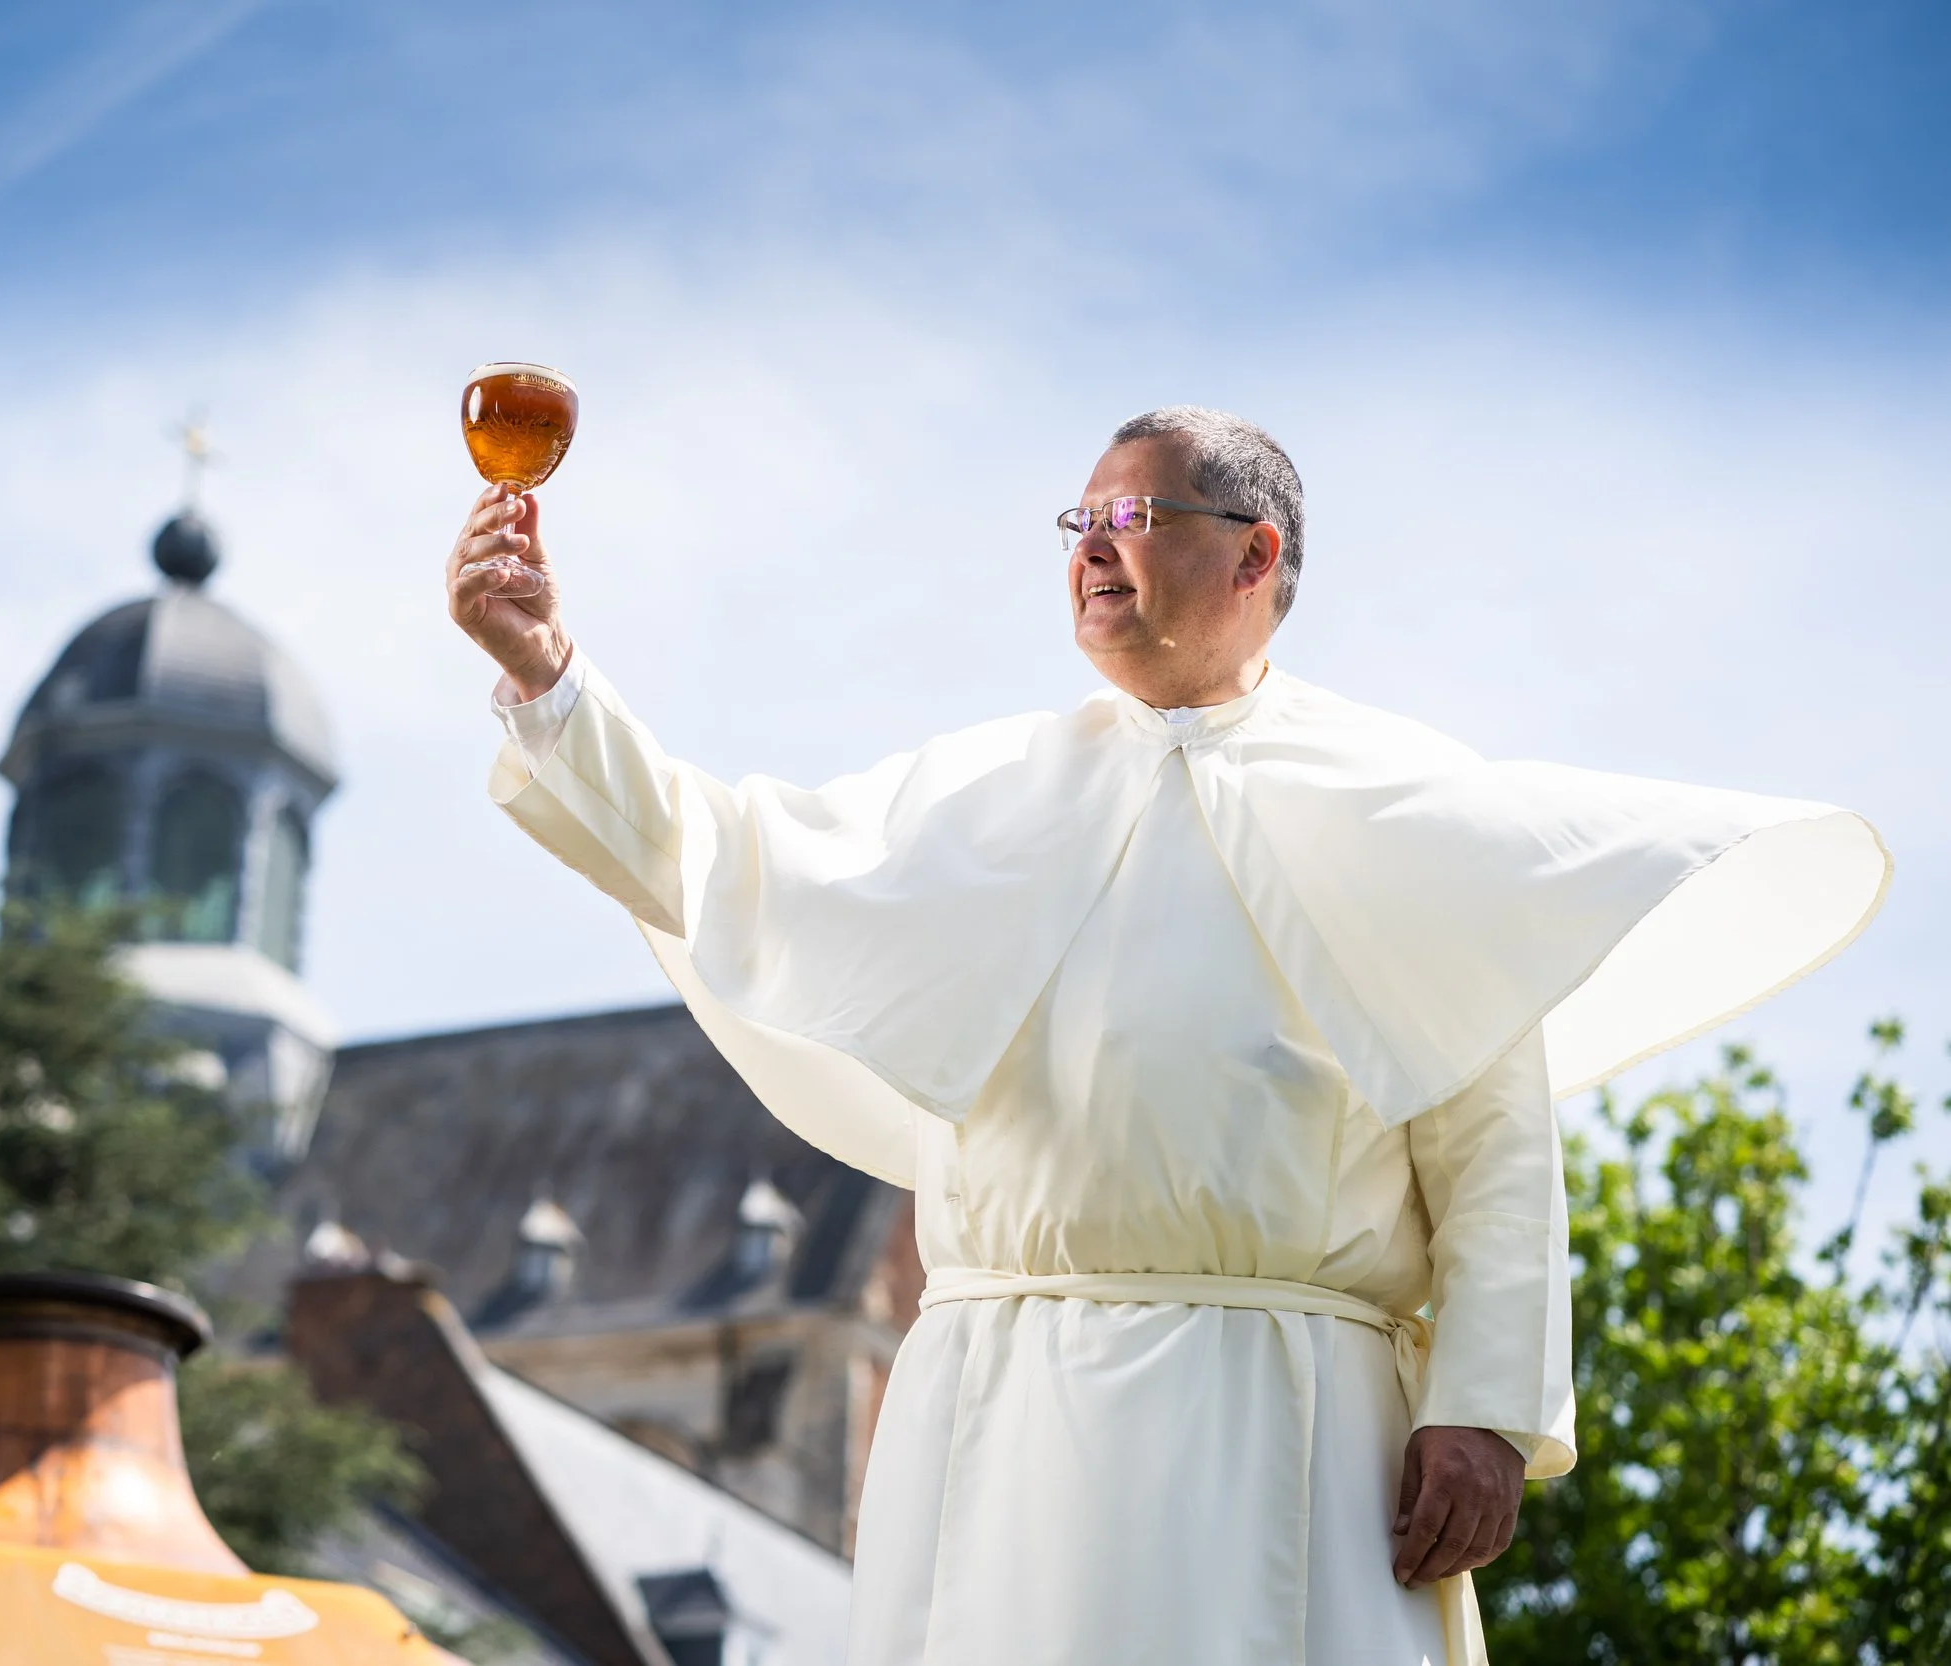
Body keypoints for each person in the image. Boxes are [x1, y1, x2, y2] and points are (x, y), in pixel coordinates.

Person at [443, 405, 1888, 1666]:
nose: (1090, 545)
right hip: (995, 1421)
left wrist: (1490, 1408)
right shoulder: (978, 795)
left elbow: (1493, 1128)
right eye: (1079, 519)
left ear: (1257, 555)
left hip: (1288, 1418)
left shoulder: (1407, 800)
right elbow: (722, 854)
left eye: (1132, 515)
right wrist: (547, 671)